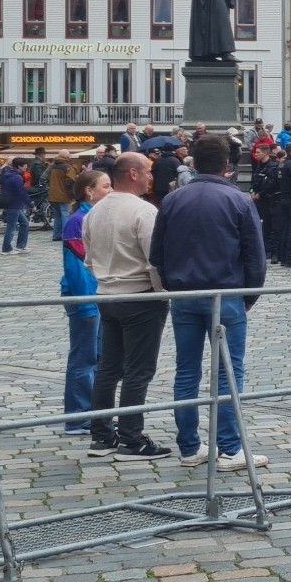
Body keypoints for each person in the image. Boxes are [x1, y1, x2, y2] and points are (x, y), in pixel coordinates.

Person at [151, 135, 269, 472]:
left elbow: (156, 253)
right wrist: (249, 296)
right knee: (228, 372)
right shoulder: (239, 200)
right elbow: (255, 258)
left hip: (184, 296)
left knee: (186, 371)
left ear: (193, 162)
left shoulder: (172, 200)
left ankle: (189, 447)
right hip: (225, 294)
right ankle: (231, 448)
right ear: (227, 165)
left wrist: (174, 285)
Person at [82, 152, 171, 461]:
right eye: (147, 171)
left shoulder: (94, 212)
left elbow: (89, 259)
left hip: (107, 295)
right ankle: (131, 439)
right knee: (138, 370)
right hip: (140, 296)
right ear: (132, 174)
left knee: (108, 368)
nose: (151, 177)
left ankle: (102, 436)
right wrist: (163, 292)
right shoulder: (144, 211)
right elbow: (156, 259)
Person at [60, 169, 108, 435]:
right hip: (85, 297)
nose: (110, 191)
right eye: (105, 186)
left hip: (97, 295)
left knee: (98, 357)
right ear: (89, 190)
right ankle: (78, 417)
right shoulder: (77, 220)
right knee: (84, 358)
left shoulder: (91, 216)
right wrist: (86, 303)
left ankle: (92, 413)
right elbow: (76, 268)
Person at [0, 157, 32, 254]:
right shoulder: (17, 177)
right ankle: (6, 249)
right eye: (25, 166)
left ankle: (20, 246)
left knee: (24, 223)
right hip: (14, 204)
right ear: (20, 166)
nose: (26, 167)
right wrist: (30, 204)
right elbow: (21, 192)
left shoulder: (8, 174)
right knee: (11, 227)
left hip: (12, 203)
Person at [46, 154, 78, 242]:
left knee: (57, 216)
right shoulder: (67, 167)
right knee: (65, 214)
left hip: (53, 195)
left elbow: (45, 178)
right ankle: (67, 235)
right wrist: (73, 195)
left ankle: (56, 235)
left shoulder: (51, 167)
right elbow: (70, 182)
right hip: (64, 195)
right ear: (67, 158)